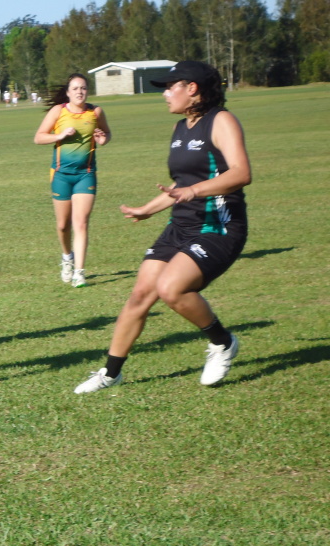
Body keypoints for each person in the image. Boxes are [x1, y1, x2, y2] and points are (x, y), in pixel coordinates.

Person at [74, 61, 251, 394]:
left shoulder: (221, 121)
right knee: (140, 294)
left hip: (219, 226)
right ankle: (110, 373)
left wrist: (194, 191)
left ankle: (223, 343)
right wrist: (147, 210)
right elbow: (180, 186)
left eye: (171, 87)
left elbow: (241, 173)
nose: (165, 94)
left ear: (193, 88)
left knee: (172, 288)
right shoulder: (181, 128)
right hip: (180, 226)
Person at [34, 73, 111, 288]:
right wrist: (59, 136)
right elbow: (39, 137)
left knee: (81, 223)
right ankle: (67, 257)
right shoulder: (58, 111)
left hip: (85, 174)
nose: (80, 91)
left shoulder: (95, 112)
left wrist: (103, 139)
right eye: (75, 88)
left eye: (83, 88)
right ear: (68, 92)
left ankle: (79, 271)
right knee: (62, 225)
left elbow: (106, 134)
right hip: (60, 175)